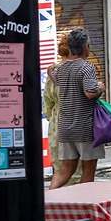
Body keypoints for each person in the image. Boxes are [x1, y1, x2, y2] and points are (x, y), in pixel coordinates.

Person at [50, 30, 106, 189]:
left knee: (65, 171)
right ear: (84, 47)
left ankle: (48, 203)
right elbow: (90, 93)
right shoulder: (86, 68)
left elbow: (57, 81)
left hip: (65, 128)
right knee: (88, 172)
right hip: (85, 128)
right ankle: (85, 206)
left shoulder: (61, 68)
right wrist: (100, 87)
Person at [44, 33, 71, 180]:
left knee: (60, 168)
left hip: (56, 122)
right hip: (75, 119)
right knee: (77, 167)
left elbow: (47, 103)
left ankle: (58, 199)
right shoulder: (79, 68)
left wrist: (52, 117)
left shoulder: (53, 72)